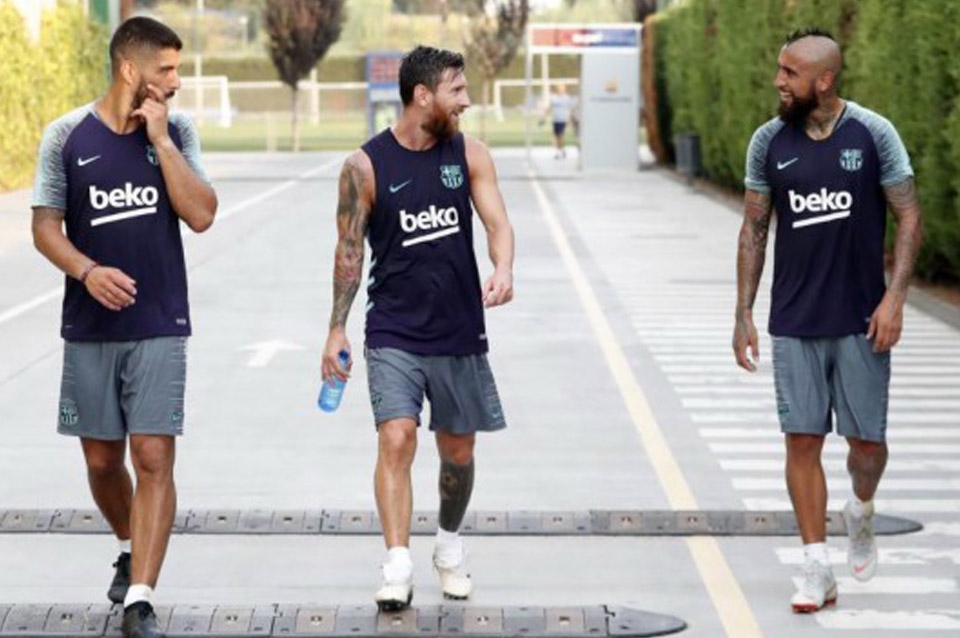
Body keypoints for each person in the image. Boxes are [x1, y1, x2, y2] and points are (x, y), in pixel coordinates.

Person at [31, 17, 217, 638]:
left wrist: (162, 142)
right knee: (103, 461)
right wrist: (86, 272)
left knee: (154, 456)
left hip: (161, 321)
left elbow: (202, 215)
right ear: (130, 70)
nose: (177, 81)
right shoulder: (65, 136)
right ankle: (127, 542)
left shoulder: (178, 131)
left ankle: (140, 597)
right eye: (167, 69)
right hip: (89, 327)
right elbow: (45, 227)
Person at [733, 28, 922, 613]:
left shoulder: (873, 133)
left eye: (790, 73)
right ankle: (816, 567)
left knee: (867, 446)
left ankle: (860, 510)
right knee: (802, 440)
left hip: (863, 319)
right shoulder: (768, 141)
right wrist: (743, 311)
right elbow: (754, 229)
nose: (778, 82)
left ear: (824, 80)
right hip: (795, 320)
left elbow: (909, 217)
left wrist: (894, 299)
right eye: (780, 69)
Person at [321, 45, 514, 611]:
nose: (467, 101)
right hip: (393, 331)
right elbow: (349, 252)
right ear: (422, 96)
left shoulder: (470, 154)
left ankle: (448, 545)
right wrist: (336, 329)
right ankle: (398, 562)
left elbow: (498, 223)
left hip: (458, 328)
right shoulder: (364, 166)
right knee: (396, 437)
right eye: (457, 91)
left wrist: (503, 268)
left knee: (458, 451)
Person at [543, 83, 574, 159]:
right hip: (555, 120)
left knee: (560, 135)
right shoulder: (553, 98)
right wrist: (544, 118)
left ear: (564, 90)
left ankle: (559, 152)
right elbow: (549, 108)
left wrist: (571, 119)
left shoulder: (567, 98)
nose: (560, 90)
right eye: (559, 89)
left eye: (562, 89)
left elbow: (571, 109)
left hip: (563, 119)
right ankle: (561, 150)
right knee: (556, 136)